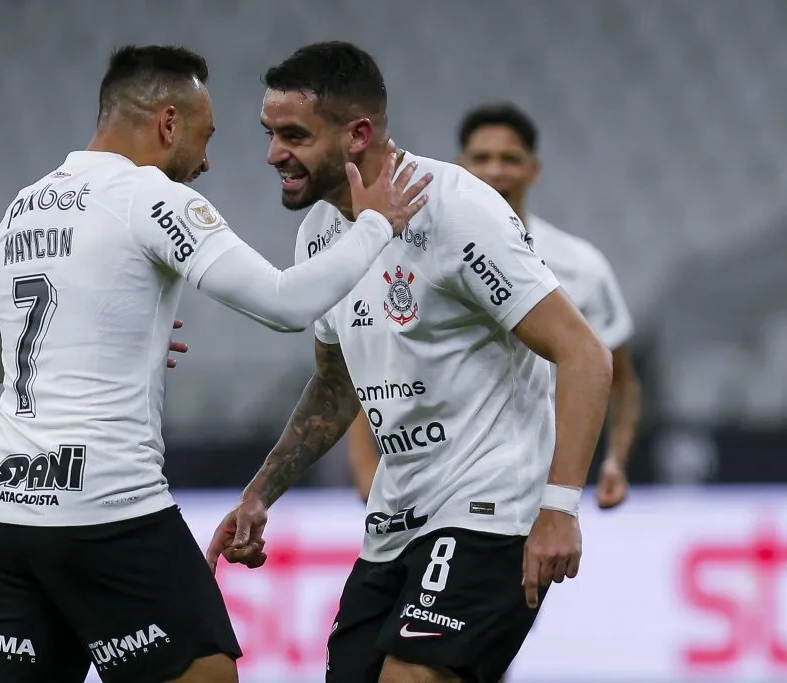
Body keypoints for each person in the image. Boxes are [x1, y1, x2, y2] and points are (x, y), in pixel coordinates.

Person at [0, 44, 431, 683]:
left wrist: (124, 336)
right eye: (205, 138)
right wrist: (374, 225)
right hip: (103, 503)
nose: (207, 161)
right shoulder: (148, 196)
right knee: (206, 673)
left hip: (2, 511)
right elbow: (282, 303)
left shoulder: (22, 207)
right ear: (167, 123)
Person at [205, 42, 613, 683]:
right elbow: (336, 383)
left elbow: (585, 354)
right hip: (396, 522)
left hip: (490, 510)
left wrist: (560, 508)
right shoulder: (319, 231)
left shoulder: (458, 210)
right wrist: (262, 493)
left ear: (358, 133)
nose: (273, 154)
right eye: (270, 133)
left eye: (293, 135)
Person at [347, 104, 642, 509]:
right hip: (441, 476)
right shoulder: (419, 254)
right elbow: (380, 363)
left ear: (533, 170)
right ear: (459, 166)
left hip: (551, 480)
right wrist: (366, 469)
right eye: (481, 158)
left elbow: (621, 378)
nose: (495, 171)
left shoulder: (581, 266)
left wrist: (614, 461)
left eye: (510, 159)